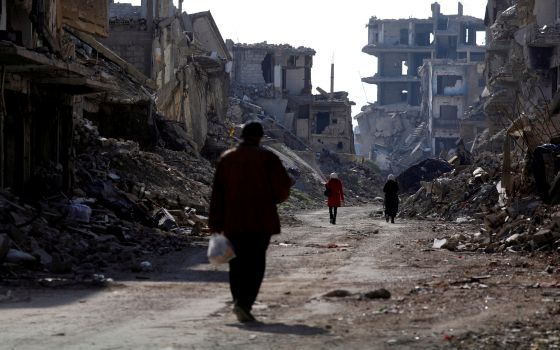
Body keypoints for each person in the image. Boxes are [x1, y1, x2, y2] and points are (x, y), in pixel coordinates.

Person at [208, 121, 292, 323]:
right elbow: (282, 190)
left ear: (241, 136)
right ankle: (244, 304)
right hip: (260, 221)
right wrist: (271, 198)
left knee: (236, 264)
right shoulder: (268, 158)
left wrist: (215, 223)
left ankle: (238, 300)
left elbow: (217, 195)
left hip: (233, 222)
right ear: (260, 137)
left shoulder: (227, 159)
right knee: (256, 263)